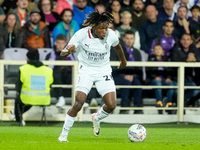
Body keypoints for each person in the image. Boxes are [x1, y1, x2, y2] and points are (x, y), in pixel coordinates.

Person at [58, 11, 127, 142]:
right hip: (86, 71)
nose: (104, 31)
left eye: (106, 28)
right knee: (78, 103)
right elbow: (62, 53)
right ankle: (63, 135)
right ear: (93, 27)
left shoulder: (110, 34)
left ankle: (97, 117)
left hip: (103, 71)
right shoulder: (81, 34)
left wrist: (123, 61)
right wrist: (68, 51)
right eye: (101, 28)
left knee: (111, 105)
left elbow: (117, 47)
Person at [14, 49, 53, 126]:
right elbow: (50, 86)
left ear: (28, 58)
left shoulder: (23, 69)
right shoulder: (48, 70)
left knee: (18, 100)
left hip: (27, 98)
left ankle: (19, 119)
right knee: (30, 99)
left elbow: (18, 87)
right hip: (44, 100)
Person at [111, 30, 143, 114]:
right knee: (126, 82)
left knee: (138, 84)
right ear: (124, 39)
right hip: (118, 76)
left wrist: (133, 75)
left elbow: (139, 69)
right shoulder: (117, 50)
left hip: (133, 76)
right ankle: (124, 107)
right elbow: (114, 67)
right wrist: (124, 75)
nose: (129, 40)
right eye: (127, 38)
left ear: (134, 39)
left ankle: (137, 107)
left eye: (131, 38)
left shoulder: (137, 52)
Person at [46, 34, 75, 107]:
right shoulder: (50, 55)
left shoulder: (70, 55)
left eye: (62, 43)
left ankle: (81, 99)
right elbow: (48, 69)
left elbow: (75, 67)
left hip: (67, 77)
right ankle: (60, 98)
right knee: (56, 74)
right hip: (56, 78)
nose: (60, 45)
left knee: (74, 74)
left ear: (65, 44)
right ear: (55, 43)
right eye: (58, 43)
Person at [171, 33, 199, 106]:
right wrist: (186, 59)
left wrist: (194, 59)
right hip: (176, 78)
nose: (185, 42)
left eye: (188, 40)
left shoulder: (194, 49)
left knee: (196, 90)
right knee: (176, 91)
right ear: (180, 41)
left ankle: (181, 102)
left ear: (191, 41)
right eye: (183, 39)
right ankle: (180, 103)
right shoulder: (176, 48)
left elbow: (198, 58)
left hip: (188, 79)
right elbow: (174, 59)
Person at [146, 44, 176, 114]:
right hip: (153, 80)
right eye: (156, 49)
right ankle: (159, 103)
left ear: (162, 51)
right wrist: (154, 77)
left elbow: (171, 70)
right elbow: (148, 71)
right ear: (153, 51)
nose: (158, 50)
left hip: (165, 80)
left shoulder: (167, 60)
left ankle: (169, 104)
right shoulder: (150, 59)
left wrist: (169, 78)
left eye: (159, 49)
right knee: (157, 83)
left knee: (171, 84)